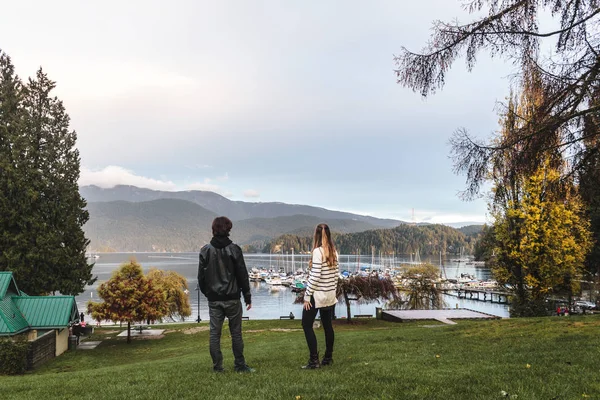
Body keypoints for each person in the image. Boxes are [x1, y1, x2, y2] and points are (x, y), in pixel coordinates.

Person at [198, 216, 254, 373]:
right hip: (232, 299)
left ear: (214, 229)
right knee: (236, 333)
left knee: (214, 335)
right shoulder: (234, 249)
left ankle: (218, 367)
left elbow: (201, 278)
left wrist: (209, 293)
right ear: (228, 229)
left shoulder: (205, 250)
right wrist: (247, 296)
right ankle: (240, 365)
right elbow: (242, 275)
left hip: (214, 299)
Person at [301, 223, 340, 369]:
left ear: (316, 235)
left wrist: (307, 295)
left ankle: (313, 361)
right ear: (329, 234)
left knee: (306, 324)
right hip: (330, 295)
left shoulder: (318, 252)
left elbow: (316, 276)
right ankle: (328, 357)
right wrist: (332, 291)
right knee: (328, 325)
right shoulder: (334, 252)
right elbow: (336, 275)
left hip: (316, 295)